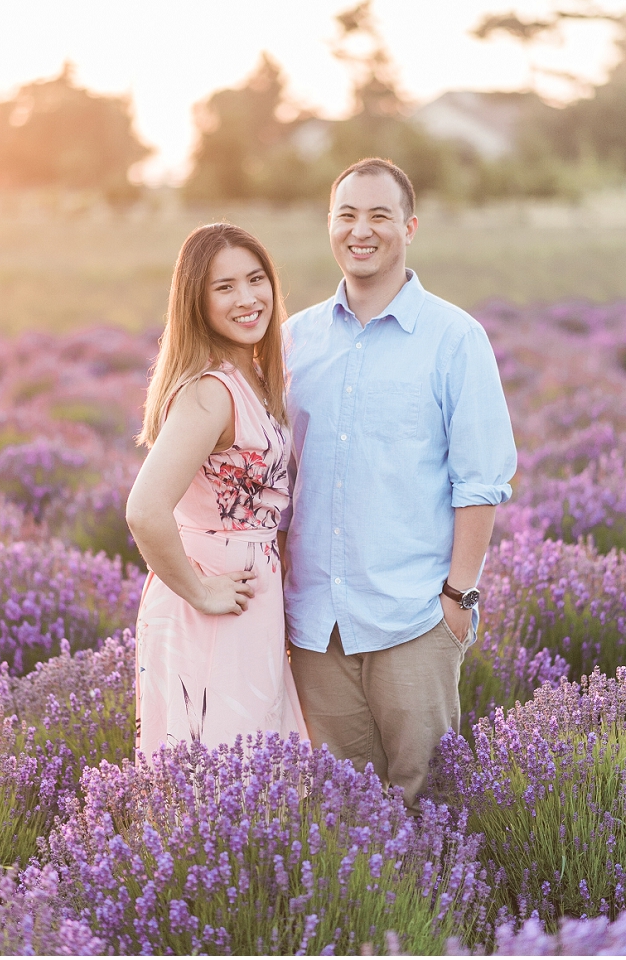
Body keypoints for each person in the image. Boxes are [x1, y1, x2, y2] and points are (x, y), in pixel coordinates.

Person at [281, 157, 516, 811]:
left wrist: (457, 600)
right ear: (329, 225)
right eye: (347, 215)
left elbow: (481, 480)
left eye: (379, 215)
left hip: (414, 617)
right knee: (342, 811)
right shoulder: (292, 342)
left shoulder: (454, 339)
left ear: (409, 227)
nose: (362, 230)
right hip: (314, 626)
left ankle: (435, 917)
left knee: (429, 802)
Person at [126, 223, 307, 755]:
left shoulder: (250, 373)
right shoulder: (211, 391)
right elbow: (145, 510)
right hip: (211, 602)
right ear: (196, 302)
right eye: (224, 287)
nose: (248, 299)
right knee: (218, 772)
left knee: (249, 767)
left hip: (249, 595)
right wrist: (201, 591)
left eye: (256, 279)